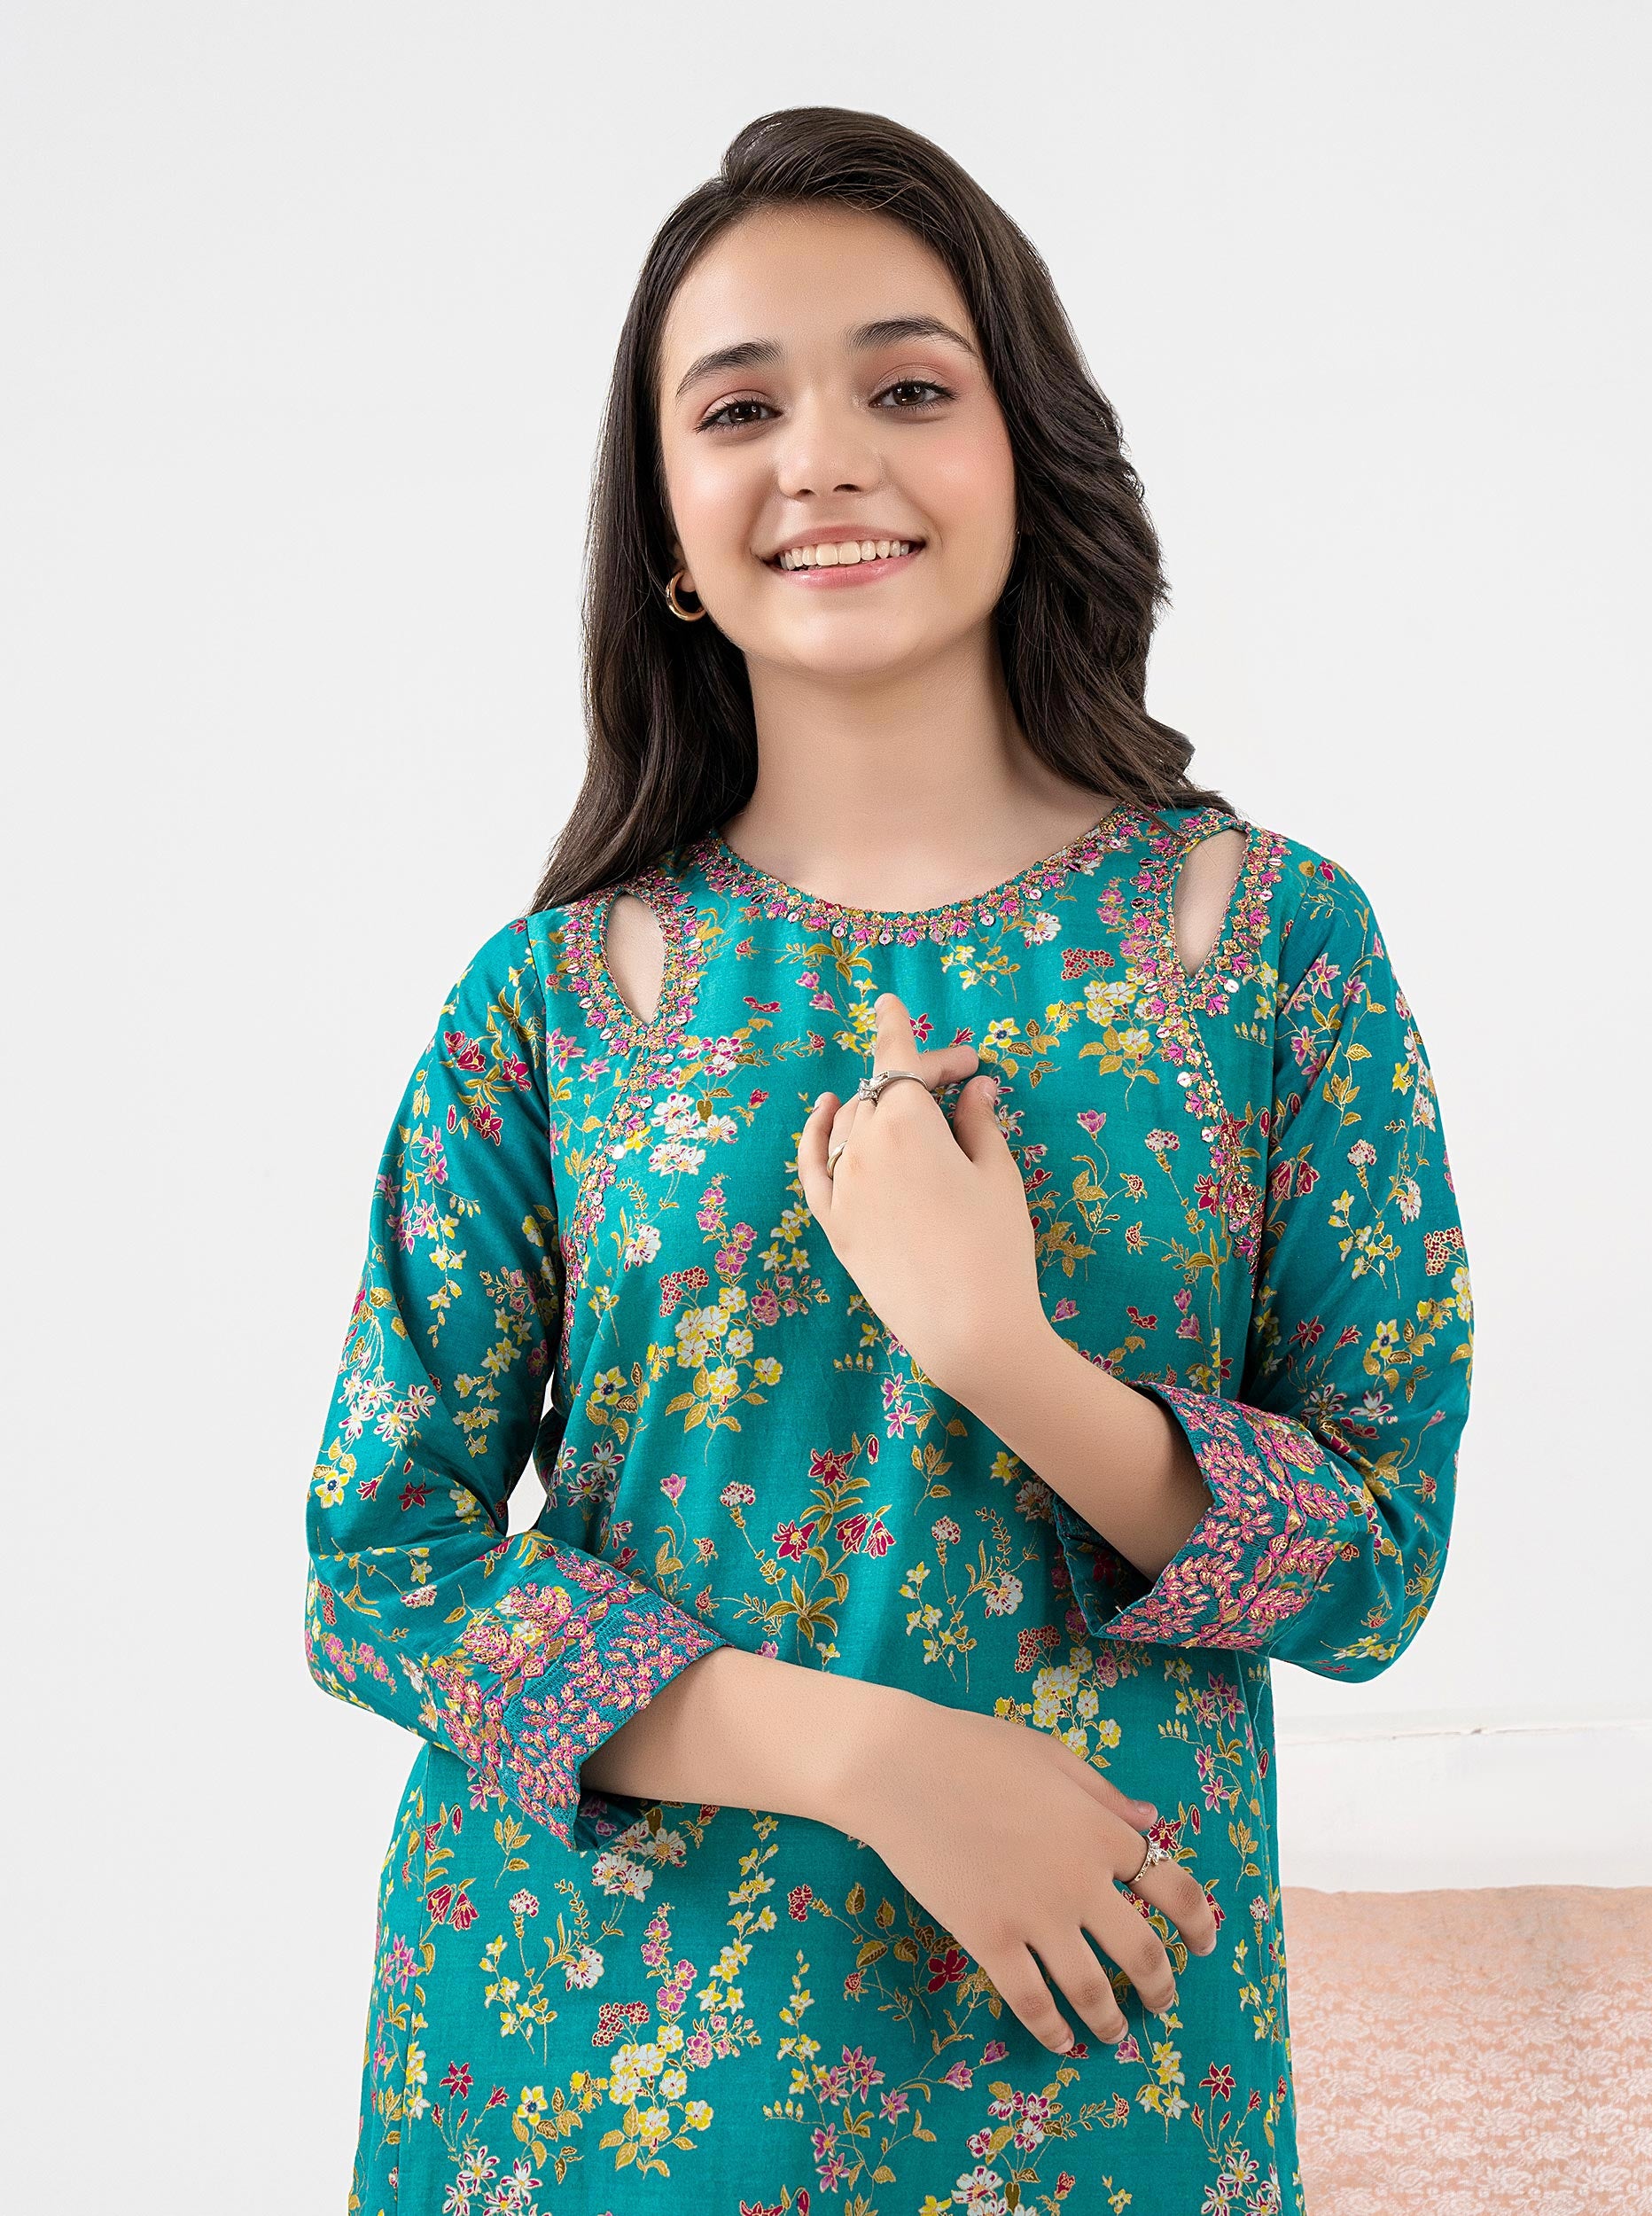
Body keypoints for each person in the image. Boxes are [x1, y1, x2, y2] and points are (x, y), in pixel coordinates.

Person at [303, 105, 1475, 2216]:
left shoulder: (1259, 945)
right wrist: (878, 1761)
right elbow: (381, 1570)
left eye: (908, 389)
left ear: (1023, 453)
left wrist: (999, 1352)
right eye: (738, 407)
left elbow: (1372, 1562)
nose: (823, 456)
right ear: (668, 531)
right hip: (593, 2075)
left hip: (1093, 2061)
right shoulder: (559, 1000)